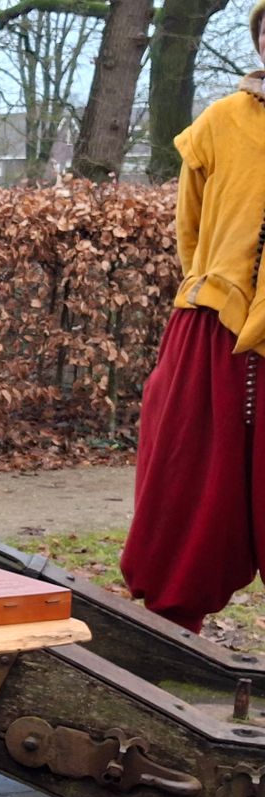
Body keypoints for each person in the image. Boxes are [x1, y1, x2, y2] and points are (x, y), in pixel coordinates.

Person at [121, 0, 265, 632]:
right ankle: (167, 628)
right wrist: (218, 286)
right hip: (215, 321)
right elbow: (191, 229)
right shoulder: (221, 122)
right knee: (188, 475)